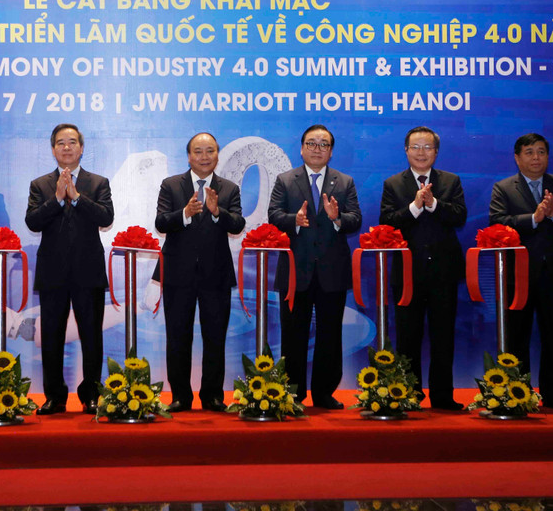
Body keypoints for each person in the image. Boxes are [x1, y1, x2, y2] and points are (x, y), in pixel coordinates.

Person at [268, 124, 362, 409]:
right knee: (293, 334)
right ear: (301, 148)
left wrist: (337, 219)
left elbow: (355, 218)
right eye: (312, 143)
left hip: (332, 272)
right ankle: (293, 393)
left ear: (331, 151)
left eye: (323, 144)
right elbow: (273, 215)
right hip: (296, 272)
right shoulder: (286, 180)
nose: (317, 148)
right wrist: (292, 221)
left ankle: (324, 393)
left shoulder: (344, 182)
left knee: (330, 335)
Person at [489, 133, 553, 409]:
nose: (536, 158)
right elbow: (497, 222)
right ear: (517, 158)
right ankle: (520, 394)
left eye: (541, 152)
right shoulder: (504, 188)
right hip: (517, 276)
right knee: (517, 337)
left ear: (548, 156)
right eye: (529, 152)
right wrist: (534, 218)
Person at [26, 124, 114, 415]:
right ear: (53, 149)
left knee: (91, 336)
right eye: (61, 143)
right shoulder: (40, 184)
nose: (67, 147)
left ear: (81, 148)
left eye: (72, 142)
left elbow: (105, 217)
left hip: (88, 271)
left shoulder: (98, 182)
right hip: (53, 272)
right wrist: (56, 199)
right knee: (52, 336)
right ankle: (55, 397)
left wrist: (76, 197)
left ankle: (91, 394)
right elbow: (33, 222)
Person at [155, 132, 245, 412]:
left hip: (215, 275)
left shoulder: (229, 188)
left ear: (217, 155)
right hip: (178, 274)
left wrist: (218, 212)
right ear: (189, 155)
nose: (204, 157)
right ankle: (181, 396)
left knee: (215, 337)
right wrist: (184, 213)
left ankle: (212, 396)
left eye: (209, 151)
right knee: (178, 337)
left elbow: (237, 225)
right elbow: (160, 222)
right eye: (198, 151)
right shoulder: (171, 185)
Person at [379, 126, 466, 410]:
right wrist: (416, 206)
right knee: (408, 337)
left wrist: (434, 203)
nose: (421, 152)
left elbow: (459, 217)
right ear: (406, 151)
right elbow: (388, 222)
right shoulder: (393, 184)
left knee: (443, 337)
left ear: (436, 152)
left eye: (427, 147)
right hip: (407, 274)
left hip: (444, 272)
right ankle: (408, 395)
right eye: (415, 147)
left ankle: (442, 396)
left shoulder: (451, 181)